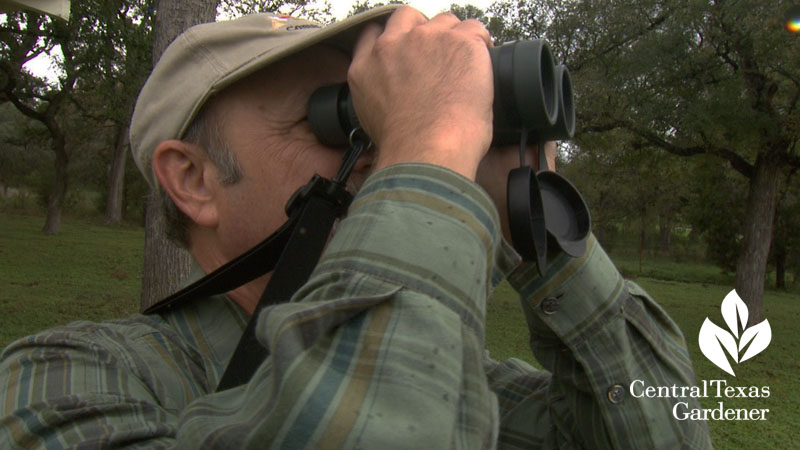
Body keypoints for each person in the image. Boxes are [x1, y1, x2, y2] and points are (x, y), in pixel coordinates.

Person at [0, 5, 712, 449]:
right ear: (192, 179)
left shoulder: (464, 378)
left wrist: (534, 225)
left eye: (380, 110)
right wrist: (429, 144)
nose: (376, 143)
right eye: (342, 114)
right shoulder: (61, 383)